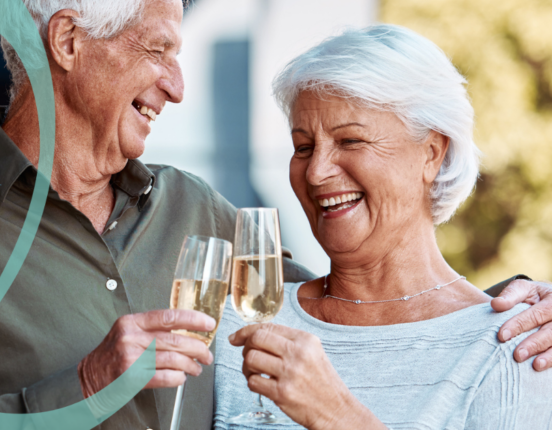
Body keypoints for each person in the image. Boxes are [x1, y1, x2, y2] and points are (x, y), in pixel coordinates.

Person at [0, 1, 551, 428]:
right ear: (68, 43)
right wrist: (81, 386)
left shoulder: (191, 206)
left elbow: (360, 297)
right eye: (157, 50)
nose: (179, 86)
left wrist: (512, 307)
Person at [214, 24, 552, 429]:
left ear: (431, 153)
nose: (317, 172)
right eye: (303, 147)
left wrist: (337, 416)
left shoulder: (516, 346)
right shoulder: (236, 322)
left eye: (350, 141)